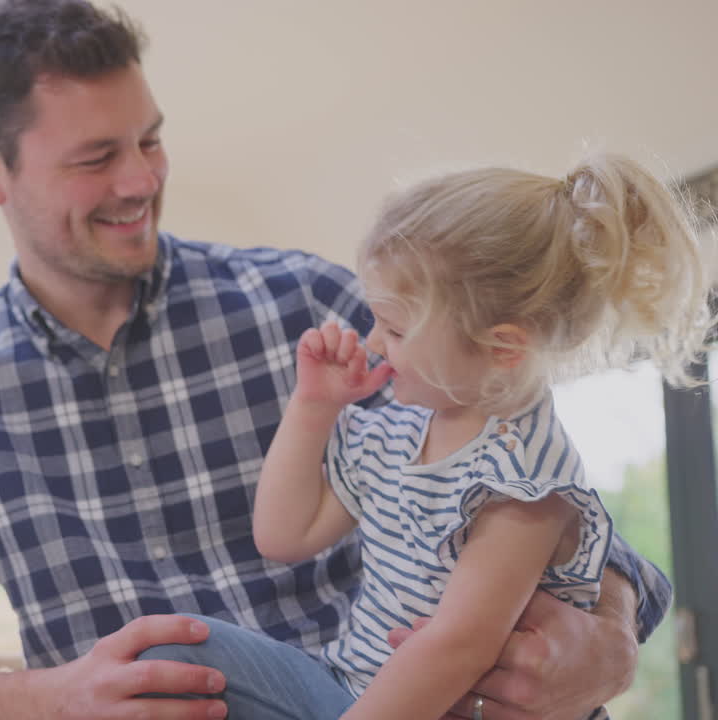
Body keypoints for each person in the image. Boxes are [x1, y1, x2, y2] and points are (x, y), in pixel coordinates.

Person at [0, 2, 672, 719]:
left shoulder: (310, 303)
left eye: (151, 140)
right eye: (96, 158)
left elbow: (547, 508)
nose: (140, 179)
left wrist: (608, 633)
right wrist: (41, 698)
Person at [217, 154, 713, 720]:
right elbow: (283, 535)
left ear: (502, 347)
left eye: (397, 328)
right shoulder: (397, 432)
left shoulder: (522, 481)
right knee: (183, 649)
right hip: (355, 692)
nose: (375, 344)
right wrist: (313, 405)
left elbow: (457, 647)